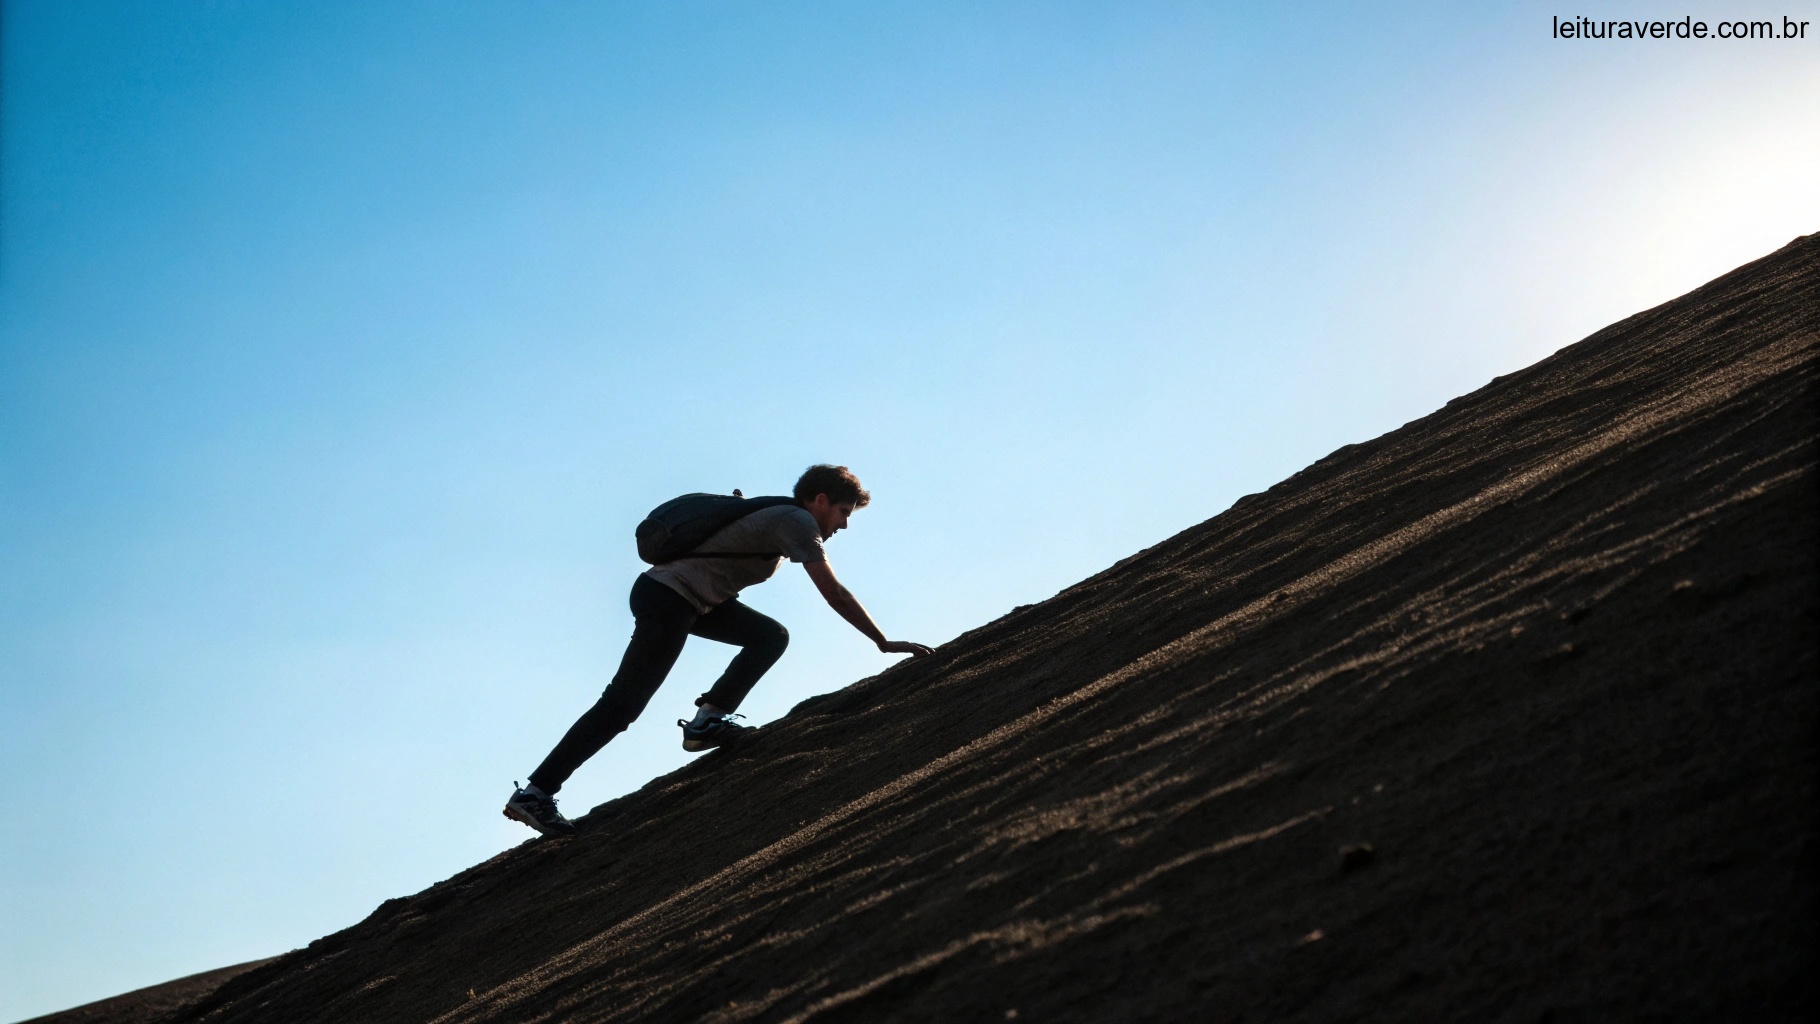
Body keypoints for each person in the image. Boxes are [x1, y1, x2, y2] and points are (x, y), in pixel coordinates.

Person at [504, 464, 932, 836]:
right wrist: (882, 641)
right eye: (843, 512)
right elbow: (833, 592)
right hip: (668, 598)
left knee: (769, 636)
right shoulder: (796, 522)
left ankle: (706, 722)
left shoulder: (780, 517)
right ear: (819, 500)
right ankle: (537, 793)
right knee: (622, 705)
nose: (843, 525)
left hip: (691, 602)